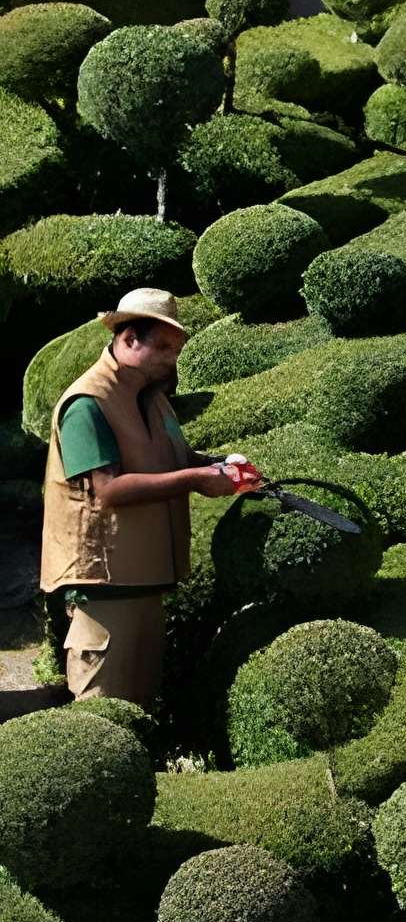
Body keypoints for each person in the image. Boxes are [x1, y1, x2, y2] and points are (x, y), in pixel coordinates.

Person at [40, 288, 256, 706]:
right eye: (161, 346)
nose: (170, 358)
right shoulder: (88, 404)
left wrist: (221, 467)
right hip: (104, 585)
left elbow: (176, 458)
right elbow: (109, 489)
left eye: (176, 349)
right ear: (128, 338)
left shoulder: (153, 399)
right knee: (102, 714)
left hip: (145, 581)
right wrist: (195, 478)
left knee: (140, 708)